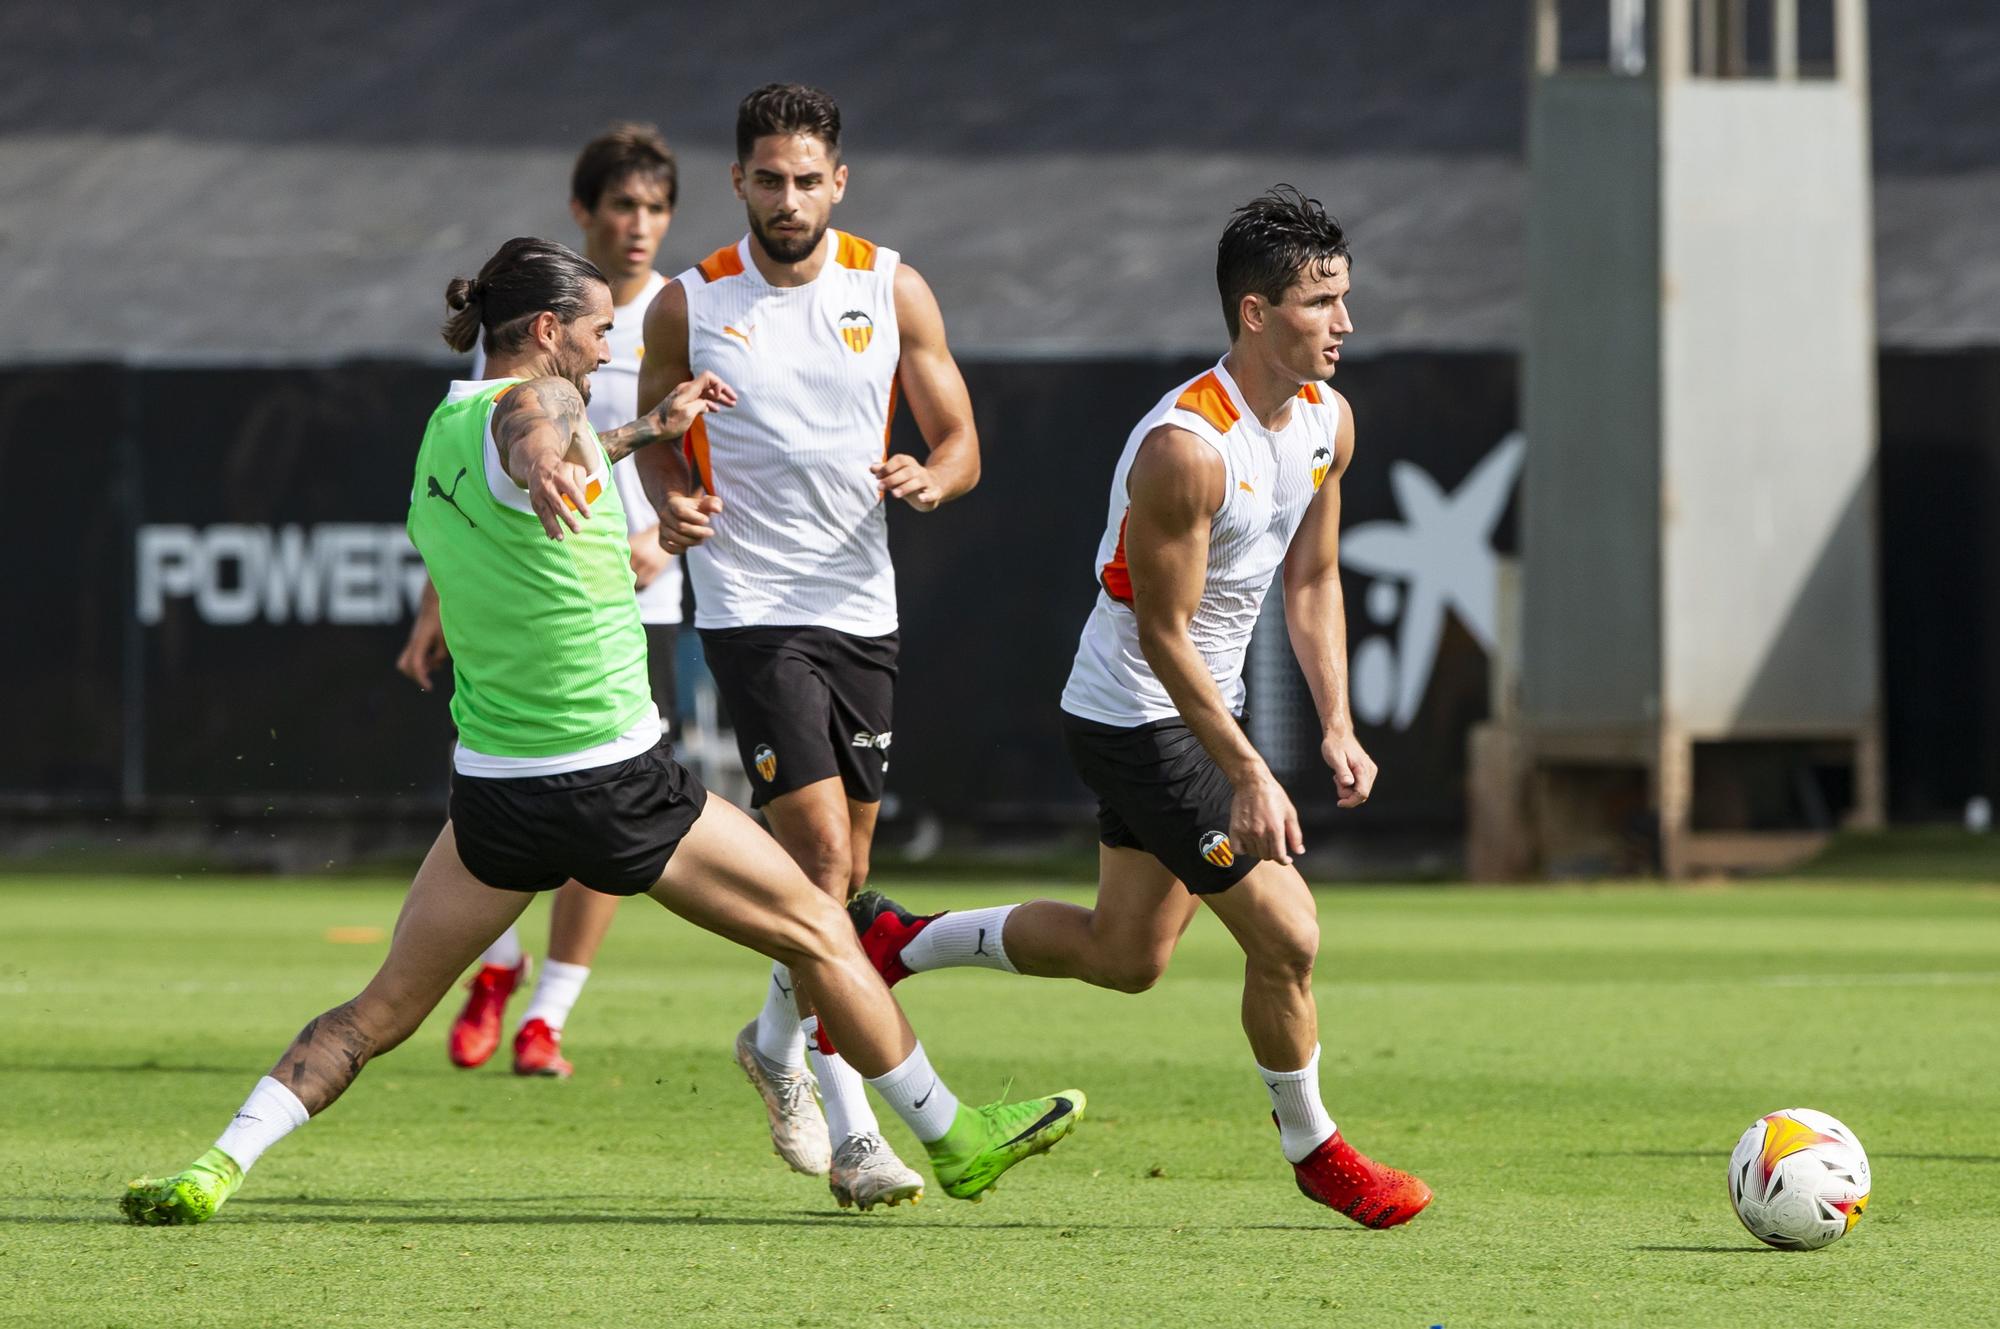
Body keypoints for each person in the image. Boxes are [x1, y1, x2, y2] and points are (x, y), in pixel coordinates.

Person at [120, 236, 1082, 1227]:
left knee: (378, 1014)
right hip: (613, 782)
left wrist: (631, 439)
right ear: (546, 330)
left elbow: (534, 443)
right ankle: (953, 1137)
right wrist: (556, 456)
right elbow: (540, 425)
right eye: (596, 332)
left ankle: (213, 1166)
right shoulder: (544, 408)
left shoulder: (440, 432)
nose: (603, 350)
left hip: (494, 794)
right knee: (819, 928)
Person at [847, 188, 1432, 1228]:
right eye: (1317, 302)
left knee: (1126, 958)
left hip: (1192, 712)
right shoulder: (1185, 449)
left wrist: (1334, 722)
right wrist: (1249, 769)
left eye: (1344, 298)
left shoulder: (1326, 422)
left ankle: (898, 940)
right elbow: (1163, 639)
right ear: (1253, 314)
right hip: (1135, 716)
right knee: (1287, 935)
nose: (1342, 322)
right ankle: (1315, 1151)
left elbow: (1311, 580)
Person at [633, 84, 981, 1211]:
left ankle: (772, 1040)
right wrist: (674, 501)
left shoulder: (890, 285)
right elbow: (654, 431)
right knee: (822, 863)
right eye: (767, 179)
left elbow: (962, 437)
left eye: (807, 179)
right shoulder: (688, 302)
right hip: (750, 607)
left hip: (860, 606)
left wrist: (931, 475)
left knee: (849, 871)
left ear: (839, 182)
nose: (788, 198)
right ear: (737, 182)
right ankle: (854, 1133)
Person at [395, 124, 684, 1080]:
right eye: (623, 207)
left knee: (586, 808)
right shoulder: (547, 336)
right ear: (586, 217)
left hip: (631, 578)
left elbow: (572, 437)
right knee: (551, 790)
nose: (640, 226)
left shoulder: (685, 310)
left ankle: (546, 1008)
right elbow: (529, 428)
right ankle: (499, 960)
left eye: (656, 208)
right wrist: (539, 458)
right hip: (539, 565)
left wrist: (656, 478)